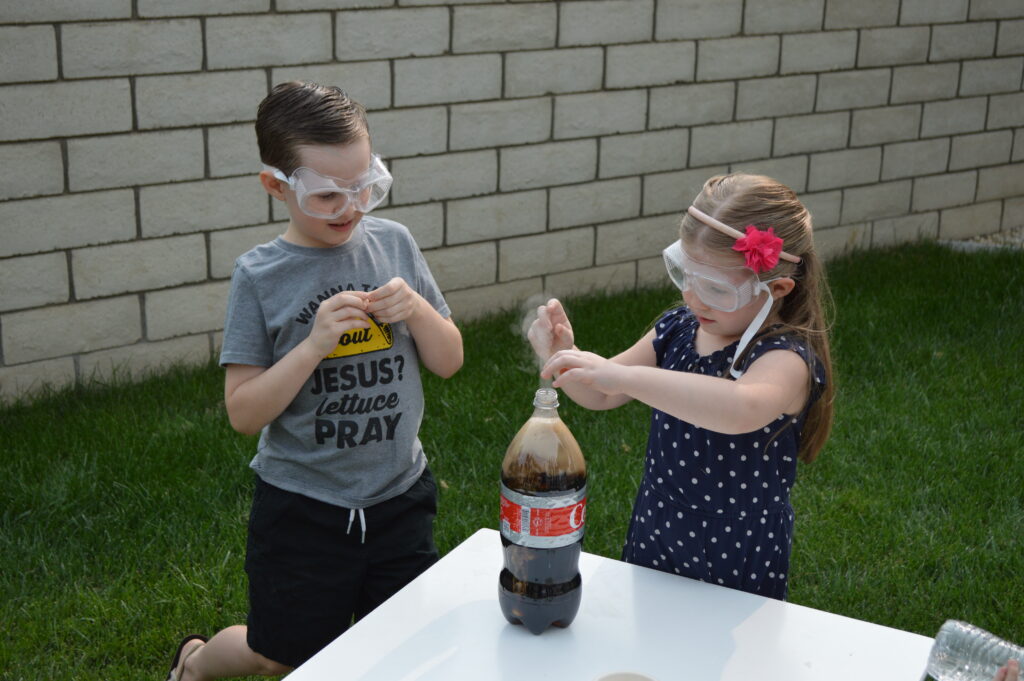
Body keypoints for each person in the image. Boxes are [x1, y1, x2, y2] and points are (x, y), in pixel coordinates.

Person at [164, 81, 463, 681]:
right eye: (327, 195)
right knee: (281, 655)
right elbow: (244, 413)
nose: (349, 208)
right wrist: (313, 346)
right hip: (304, 509)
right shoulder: (259, 277)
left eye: (364, 187)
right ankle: (196, 662)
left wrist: (419, 311)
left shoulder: (395, 244)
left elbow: (449, 359)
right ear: (276, 185)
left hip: (399, 496)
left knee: (402, 644)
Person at [528, 173, 834, 601]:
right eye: (686, 275)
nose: (693, 298)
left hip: (739, 546)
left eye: (716, 289)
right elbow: (602, 393)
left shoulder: (784, 357)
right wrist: (565, 354)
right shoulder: (678, 329)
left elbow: (740, 408)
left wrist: (624, 375)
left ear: (777, 289)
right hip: (660, 524)